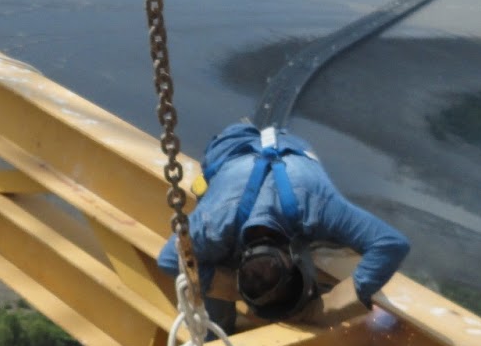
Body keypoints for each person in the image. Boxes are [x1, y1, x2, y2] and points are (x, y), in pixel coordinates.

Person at [157, 121, 409, 322]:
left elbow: (391, 244)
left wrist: (337, 301)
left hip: (286, 150)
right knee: (213, 259)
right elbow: (169, 259)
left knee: (334, 235)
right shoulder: (215, 222)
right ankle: (217, 336)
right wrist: (232, 289)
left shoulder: (317, 206)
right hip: (234, 150)